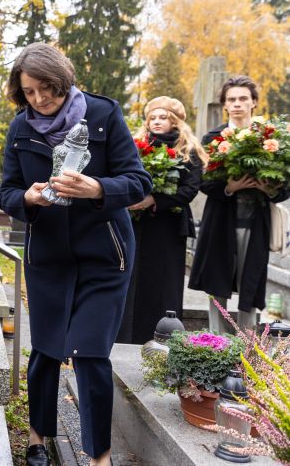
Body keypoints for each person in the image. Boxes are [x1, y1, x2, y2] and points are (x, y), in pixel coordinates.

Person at [0, 43, 151, 466]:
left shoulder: (102, 114)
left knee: (91, 352)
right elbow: (6, 192)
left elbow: (139, 182)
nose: (40, 99)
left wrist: (98, 188)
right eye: (29, 92)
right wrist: (26, 198)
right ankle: (37, 438)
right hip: (48, 254)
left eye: (47, 89)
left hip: (104, 255)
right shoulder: (20, 129)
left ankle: (99, 457)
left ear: (62, 81)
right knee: (45, 349)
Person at [189, 76, 289, 332]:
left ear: (254, 102)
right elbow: (201, 180)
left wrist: (269, 188)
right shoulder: (212, 139)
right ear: (224, 105)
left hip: (256, 222)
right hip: (221, 220)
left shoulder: (273, 139)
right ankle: (216, 342)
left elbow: (285, 184)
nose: (237, 104)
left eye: (243, 98)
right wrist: (229, 187)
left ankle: (248, 345)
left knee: (251, 284)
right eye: (231, 99)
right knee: (217, 281)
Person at [117, 97, 207, 344]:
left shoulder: (188, 151)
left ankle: (162, 340)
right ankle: (125, 338)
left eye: (163, 117)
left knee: (163, 285)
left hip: (168, 226)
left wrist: (154, 199)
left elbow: (190, 189)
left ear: (175, 121)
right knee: (132, 282)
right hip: (137, 223)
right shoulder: (135, 146)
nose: (156, 121)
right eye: (152, 117)